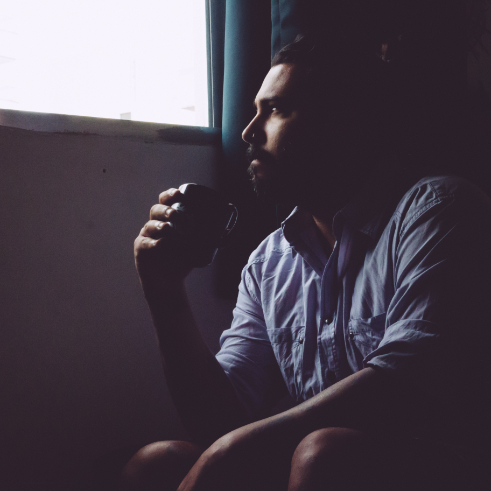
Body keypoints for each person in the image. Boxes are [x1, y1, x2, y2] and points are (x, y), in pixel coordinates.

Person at [121, 31, 491, 491]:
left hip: (441, 468)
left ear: (343, 122)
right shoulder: (268, 264)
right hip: (311, 464)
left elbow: (403, 390)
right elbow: (220, 420)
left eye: (275, 109)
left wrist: (229, 451)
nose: (248, 132)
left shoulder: (439, 212)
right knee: (158, 463)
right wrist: (165, 292)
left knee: (325, 455)